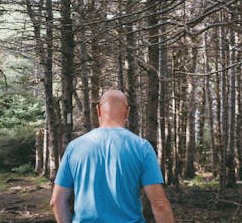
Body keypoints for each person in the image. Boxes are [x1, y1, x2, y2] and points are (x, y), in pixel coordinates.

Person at [50, 89, 175, 223]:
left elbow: (56, 201)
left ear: (98, 110)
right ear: (127, 112)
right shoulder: (142, 148)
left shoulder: (74, 147)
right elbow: (159, 204)